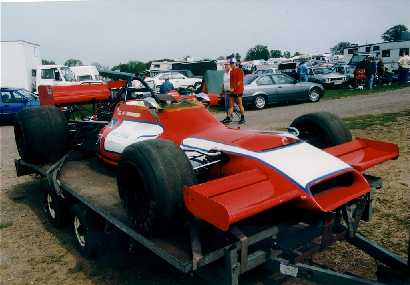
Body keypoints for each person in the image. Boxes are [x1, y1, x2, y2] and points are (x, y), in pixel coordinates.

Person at [222, 59, 245, 124]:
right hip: (232, 91)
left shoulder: (240, 70)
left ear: (235, 63)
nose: (231, 64)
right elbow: (231, 82)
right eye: (230, 63)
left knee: (240, 104)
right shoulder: (231, 72)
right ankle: (228, 118)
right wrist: (230, 88)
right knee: (230, 105)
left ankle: (243, 118)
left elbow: (240, 81)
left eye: (232, 63)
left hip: (238, 91)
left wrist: (234, 88)